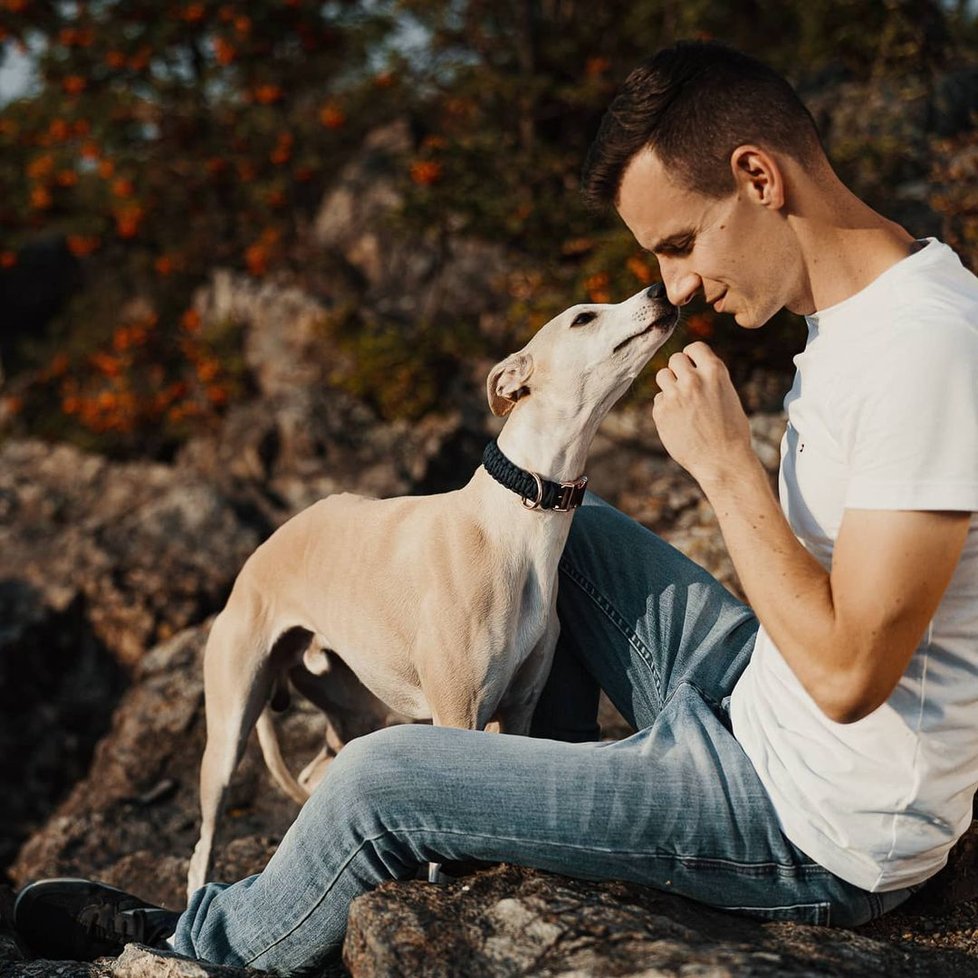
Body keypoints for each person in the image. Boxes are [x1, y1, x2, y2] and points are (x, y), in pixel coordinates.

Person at [15, 40, 978, 974]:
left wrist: (727, 469)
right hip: (763, 705)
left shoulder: (922, 353)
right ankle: (531, 793)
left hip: (811, 821)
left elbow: (853, 672)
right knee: (560, 529)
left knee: (378, 780)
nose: (678, 284)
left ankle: (199, 947)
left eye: (681, 243)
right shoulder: (865, 317)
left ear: (759, 178)